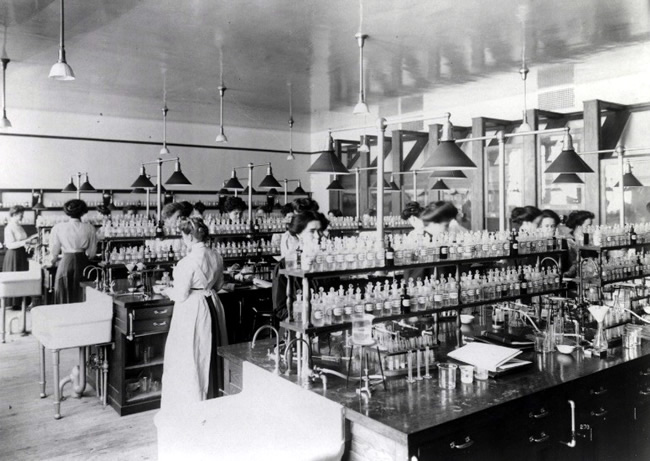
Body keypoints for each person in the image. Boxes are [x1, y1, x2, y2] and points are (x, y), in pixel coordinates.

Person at [161, 217, 227, 409]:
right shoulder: (216, 256)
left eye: (183, 235)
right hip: (212, 304)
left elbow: (181, 294)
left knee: (192, 353)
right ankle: (214, 395)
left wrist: (167, 291)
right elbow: (220, 284)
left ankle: (193, 401)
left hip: (193, 309)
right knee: (211, 349)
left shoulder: (186, 262)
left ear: (189, 236)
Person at [272, 211, 325, 324]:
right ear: (299, 234)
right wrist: (303, 315)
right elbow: (280, 309)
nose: (318, 236)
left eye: (320, 231)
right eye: (312, 231)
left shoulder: (328, 263)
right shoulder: (284, 265)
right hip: (297, 332)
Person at [48, 199, 97, 303]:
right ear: (83, 212)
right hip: (83, 262)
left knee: (65, 292)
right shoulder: (90, 228)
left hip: (66, 263)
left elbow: (54, 253)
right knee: (83, 293)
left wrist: (51, 261)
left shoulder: (58, 227)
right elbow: (91, 253)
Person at [3, 206, 38, 307]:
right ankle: (14, 304)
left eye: (22, 215)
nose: (22, 217)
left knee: (23, 279)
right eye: (20, 215)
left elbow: (22, 241)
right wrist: (27, 241)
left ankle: (22, 303)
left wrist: (30, 243)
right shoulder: (9, 227)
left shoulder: (19, 226)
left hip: (21, 255)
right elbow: (10, 245)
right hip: (13, 255)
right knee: (16, 279)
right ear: (13, 215)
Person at [563, 210, 595, 278]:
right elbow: (574, 262)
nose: (590, 228)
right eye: (588, 226)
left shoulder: (588, 240)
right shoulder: (569, 240)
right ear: (578, 226)